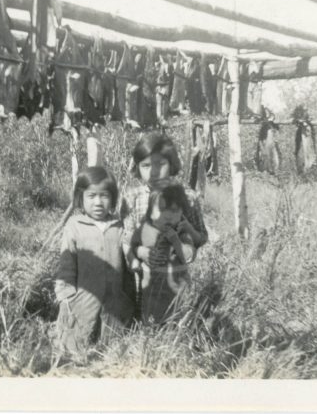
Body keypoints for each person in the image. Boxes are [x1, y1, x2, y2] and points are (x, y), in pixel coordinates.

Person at [122, 133, 208, 324]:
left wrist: (188, 235)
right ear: (137, 168)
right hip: (143, 278)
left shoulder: (187, 197)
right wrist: (140, 252)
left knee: (178, 320)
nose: (153, 172)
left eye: (160, 165)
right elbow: (126, 239)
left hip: (177, 276)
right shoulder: (132, 197)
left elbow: (201, 238)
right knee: (146, 321)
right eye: (145, 166)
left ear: (172, 164)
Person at [53, 166, 135, 358]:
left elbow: (128, 270)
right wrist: (66, 296)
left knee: (114, 343)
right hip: (82, 300)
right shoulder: (74, 226)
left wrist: (130, 297)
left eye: (104, 196)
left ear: (113, 198)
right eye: (91, 196)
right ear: (81, 197)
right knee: (75, 345)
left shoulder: (119, 226)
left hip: (115, 301)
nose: (98, 202)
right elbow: (66, 264)